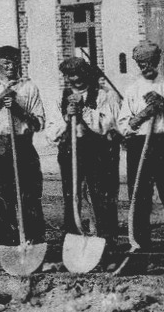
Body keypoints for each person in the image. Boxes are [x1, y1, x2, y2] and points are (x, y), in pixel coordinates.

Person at [116, 41, 164, 257]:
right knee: (139, 198)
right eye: (141, 64)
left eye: (149, 62)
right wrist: (143, 115)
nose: (145, 67)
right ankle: (141, 248)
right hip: (139, 146)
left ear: (157, 61)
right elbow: (123, 125)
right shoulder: (132, 90)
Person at [46, 56, 121, 247]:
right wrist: (67, 117)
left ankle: (106, 243)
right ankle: (73, 242)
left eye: (79, 73)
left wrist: (84, 111)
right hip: (70, 152)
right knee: (72, 196)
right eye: (70, 75)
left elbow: (108, 125)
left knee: (102, 197)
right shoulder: (60, 98)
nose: (76, 78)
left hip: (98, 152)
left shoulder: (104, 95)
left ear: (87, 73)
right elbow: (51, 133)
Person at [0, 44, 47, 246]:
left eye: (15, 61)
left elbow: (38, 124)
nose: (11, 66)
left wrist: (18, 109)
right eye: (6, 62)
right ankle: (9, 243)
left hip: (23, 145)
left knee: (28, 196)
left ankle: (32, 242)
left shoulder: (29, 88)